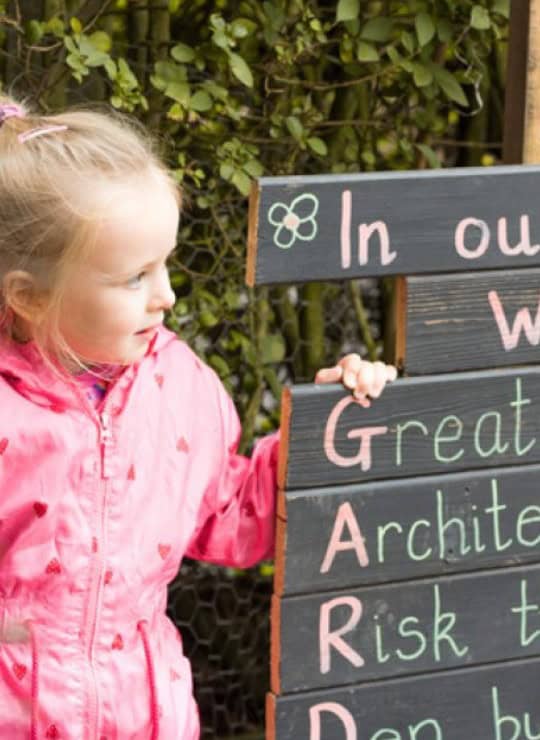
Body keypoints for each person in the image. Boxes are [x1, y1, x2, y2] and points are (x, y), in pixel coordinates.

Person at [0, 96, 396, 739]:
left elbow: (233, 512)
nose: (167, 295)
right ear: (32, 297)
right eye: (135, 277)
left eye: (165, 265)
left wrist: (330, 429)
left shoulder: (180, 389)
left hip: (146, 717)